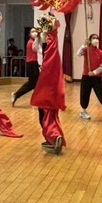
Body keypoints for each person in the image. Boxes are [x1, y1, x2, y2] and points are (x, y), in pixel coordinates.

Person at [31, 16, 66, 154]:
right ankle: (53, 137)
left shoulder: (50, 48)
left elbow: (44, 52)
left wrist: (44, 35)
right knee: (51, 114)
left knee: (45, 112)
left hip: (47, 87)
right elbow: (40, 48)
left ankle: (53, 137)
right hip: (53, 87)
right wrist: (42, 35)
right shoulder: (54, 46)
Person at [77, 34, 102, 121]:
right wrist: (84, 45)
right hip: (86, 77)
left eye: (97, 38)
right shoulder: (86, 50)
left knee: (101, 94)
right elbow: (78, 54)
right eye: (94, 38)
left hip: (96, 77)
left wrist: (94, 72)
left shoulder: (100, 52)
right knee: (84, 94)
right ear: (90, 40)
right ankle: (83, 111)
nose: (96, 40)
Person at [11, 28, 41, 106]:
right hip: (31, 64)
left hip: (33, 63)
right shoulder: (30, 42)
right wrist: (39, 37)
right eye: (32, 31)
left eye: (35, 31)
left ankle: (36, 99)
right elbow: (38, 49)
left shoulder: (33, 41)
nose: (34, 33)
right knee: (32, 83)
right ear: (30, 34)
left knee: (36, 83)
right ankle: (16, 94)